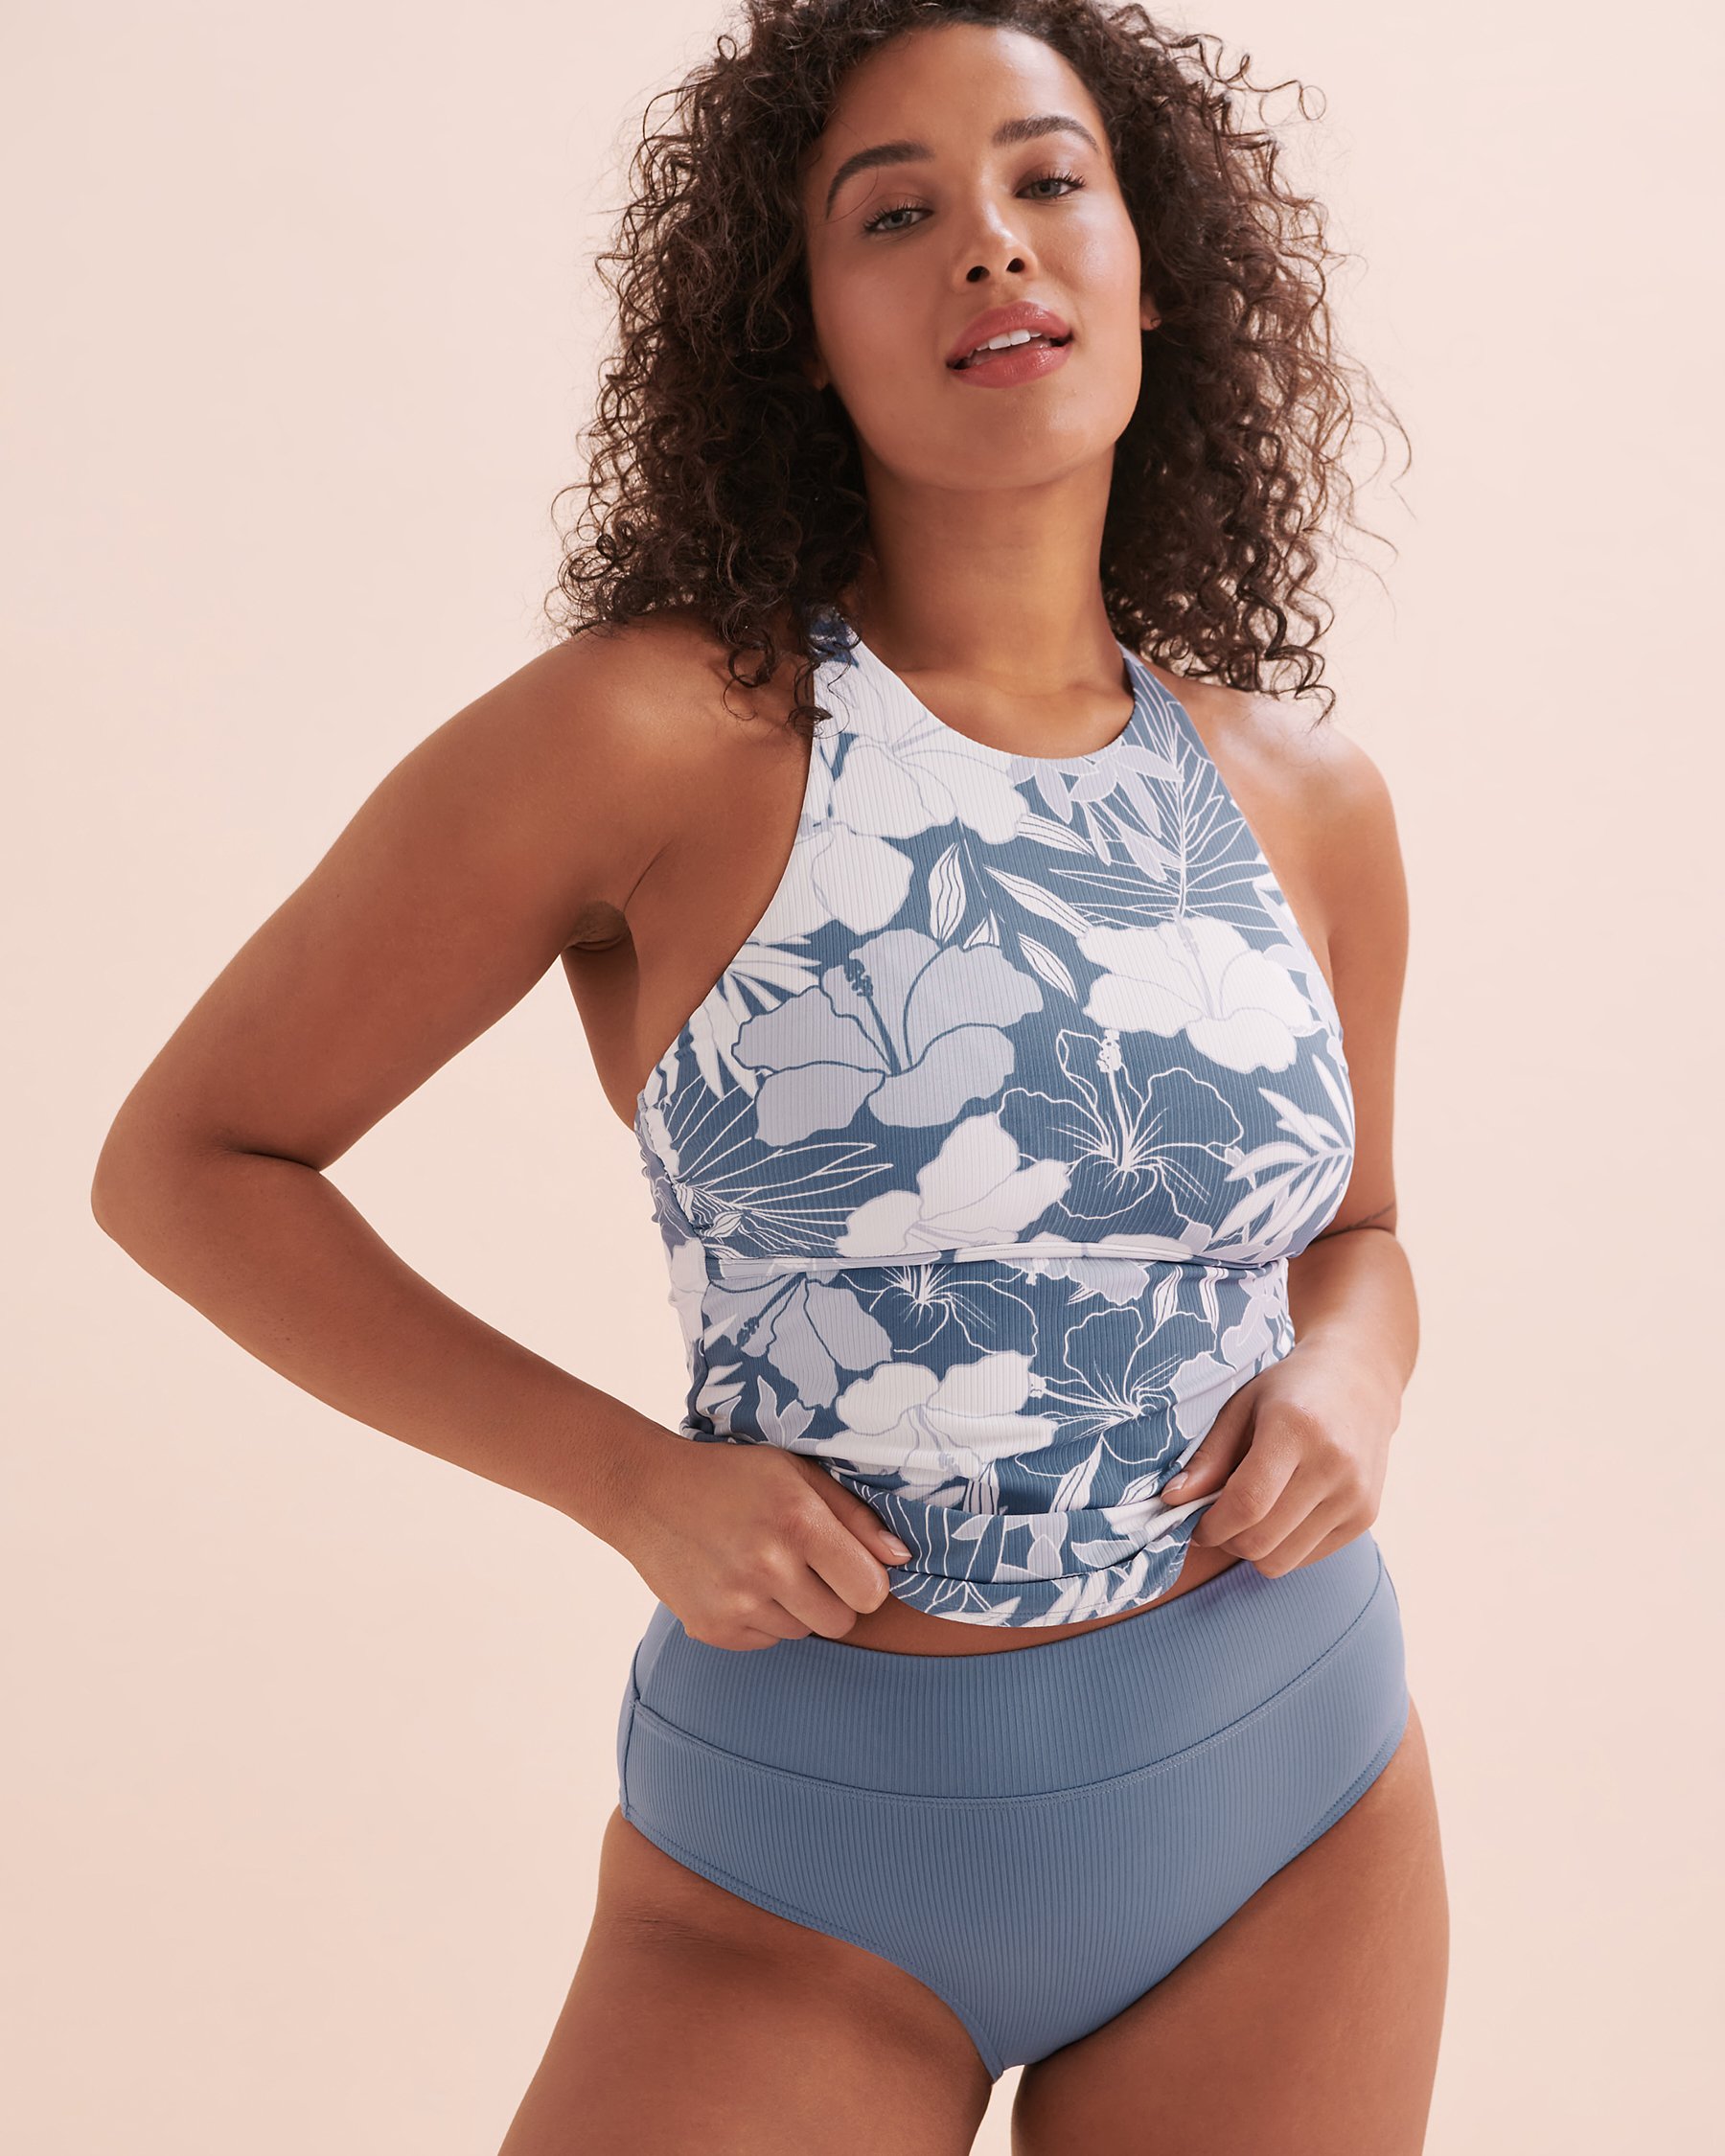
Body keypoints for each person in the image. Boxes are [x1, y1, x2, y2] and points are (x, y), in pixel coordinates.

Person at [91, 1, 1450, 2148]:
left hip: (1285, 1788)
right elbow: (192, 1160)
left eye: (1048, 180)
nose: (989, 243)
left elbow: (1355, 1233)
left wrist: (1352, 1382)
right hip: (808, 1863)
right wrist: (629, 1481)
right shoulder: (654, 738)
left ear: (1153, 268)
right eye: (892, 215)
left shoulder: (1303, 795)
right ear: (796, 332)